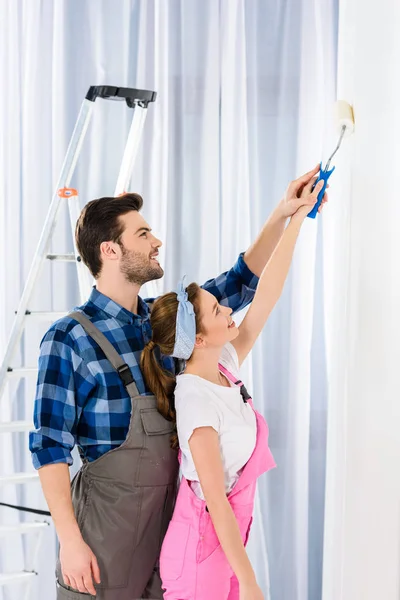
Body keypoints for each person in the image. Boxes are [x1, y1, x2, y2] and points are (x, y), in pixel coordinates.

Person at [29, 165, 326, 600]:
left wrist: (283, 214)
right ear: (110, 251)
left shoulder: (168, 326)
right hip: (103, 544)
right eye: (143, 234)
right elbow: (49, 447)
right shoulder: (69, 338)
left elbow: (242, 283)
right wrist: (70, 542)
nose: (157, 241)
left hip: (170, 535)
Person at [139, 173, 326, 600]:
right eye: (218, 309)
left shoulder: (222, 364)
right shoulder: (195, 401)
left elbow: (267, 297)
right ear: (198, 340)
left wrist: (297, 218)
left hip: (223, 544)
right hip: (200, 554)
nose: (229, 310)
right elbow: (217, 504)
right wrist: (250, 582)